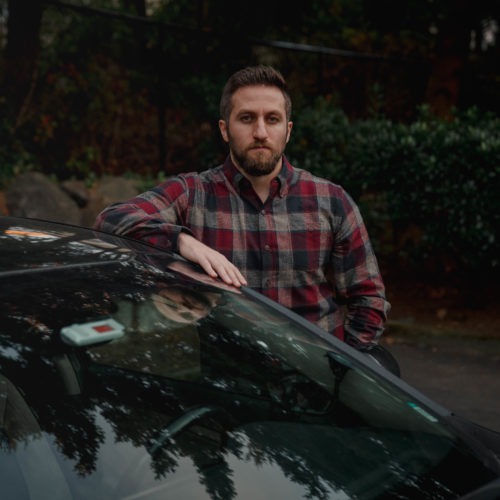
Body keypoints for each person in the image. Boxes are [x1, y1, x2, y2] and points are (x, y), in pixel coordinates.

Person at [94, 65, 390, 347]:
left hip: (315, 382)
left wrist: (342, 373)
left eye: (272, 119)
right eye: (247, 118)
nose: (260, 132)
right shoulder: (192, 194)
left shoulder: (331, 201)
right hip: (233, 384)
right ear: (225, 129)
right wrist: (182, 241)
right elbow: (111, 219)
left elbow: (369, 300)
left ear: (288, 130)